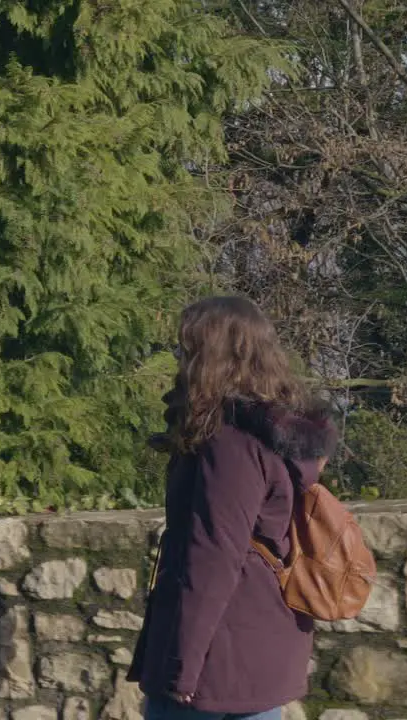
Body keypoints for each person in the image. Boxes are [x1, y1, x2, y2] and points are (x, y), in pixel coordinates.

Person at [128, 296, 338, 720]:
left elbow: (215, 557)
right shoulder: (274, 434)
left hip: (219, 659)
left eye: (188, 349)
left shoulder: (230, 443)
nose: (180, 360)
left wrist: (181, 667)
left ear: (212, 356)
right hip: (257, 647)